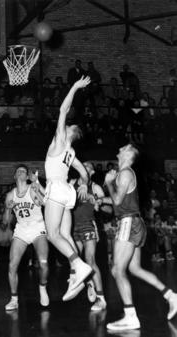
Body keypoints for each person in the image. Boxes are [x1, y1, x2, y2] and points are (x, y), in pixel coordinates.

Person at [104, 144, 177, 331]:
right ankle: (171, 296)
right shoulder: (126, 174)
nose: (120, 148)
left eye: (125, 148)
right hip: (134, 222)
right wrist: (99, 199)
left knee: (117, 270)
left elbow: (118, 200)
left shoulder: (125, 173)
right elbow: (119, 203)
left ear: (129, 155)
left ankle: (130, 316)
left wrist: (109, 183)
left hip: (128, 223)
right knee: (134, 268)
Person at [44, 76, 92, 302]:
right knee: (64, 234)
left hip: (55, 188)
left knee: (52, 235)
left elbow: (63, 109)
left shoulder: (62, 140)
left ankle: (77, 264)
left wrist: (74, 86)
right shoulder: (71, 154)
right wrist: (83, 184)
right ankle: (77, 276)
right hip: (67, 192)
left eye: (69, 126)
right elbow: (84, 173)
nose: (66, 125)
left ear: (71, 132)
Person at [3, 164, 49, 311]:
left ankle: (42, 287)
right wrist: (7, 208)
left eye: (24, 171)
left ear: (27, 176)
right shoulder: (11, 195)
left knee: (43, 264)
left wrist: (39, 195)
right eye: (19, 171)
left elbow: (45, 204)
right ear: (15, 176)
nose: (22, 172)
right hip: (21, 229)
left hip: (37, 227)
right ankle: (14, 299)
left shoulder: (32, 188)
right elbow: (5, 222)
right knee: (12, 265)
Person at [72, 161, 107, 311]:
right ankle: (89, 283)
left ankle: (101, 299)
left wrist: (98, 202)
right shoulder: (72, 183)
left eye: (87, 166)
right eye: (82, 165)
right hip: (72, 227)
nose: (83, 167)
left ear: (92, 172)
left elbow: (108, 209)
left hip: (88, 225)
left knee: (90, 260)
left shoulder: (95, 187)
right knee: (74, 261)